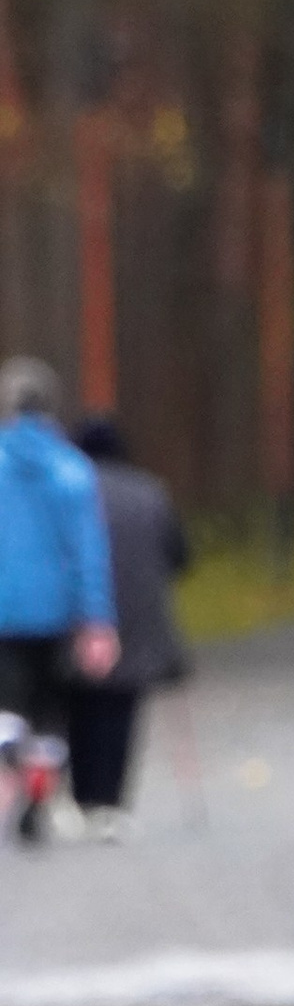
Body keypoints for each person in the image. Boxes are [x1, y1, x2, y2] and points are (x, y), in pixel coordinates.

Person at [0, 356, 118, 840]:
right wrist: (97, 619)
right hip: (55, 613)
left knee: (7, 706)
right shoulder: (73, 471)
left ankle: (8, 770)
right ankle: (39, 797)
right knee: (50, 710)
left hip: (3, 613)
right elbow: (89, 552)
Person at [64, 421, 188, 833]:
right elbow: (179, 555)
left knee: (79, 706)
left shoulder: (70, 490)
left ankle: (80, 795)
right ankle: (110, 803)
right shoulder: (151, 492)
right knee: (121, 711)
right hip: (138, 617)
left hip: (79, 618)